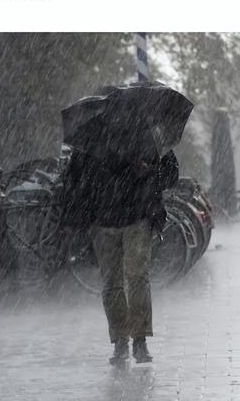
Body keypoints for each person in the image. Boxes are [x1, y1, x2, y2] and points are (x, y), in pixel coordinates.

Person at [61, 145, 179, 365]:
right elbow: (75, 181)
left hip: (135, 217)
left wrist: (150, 171)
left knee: (134, 279)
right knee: (117, 282)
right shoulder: (138, 134)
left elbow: (171, 173)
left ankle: (137, 340)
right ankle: (122, 340)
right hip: (105, 222)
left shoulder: (143, 135)